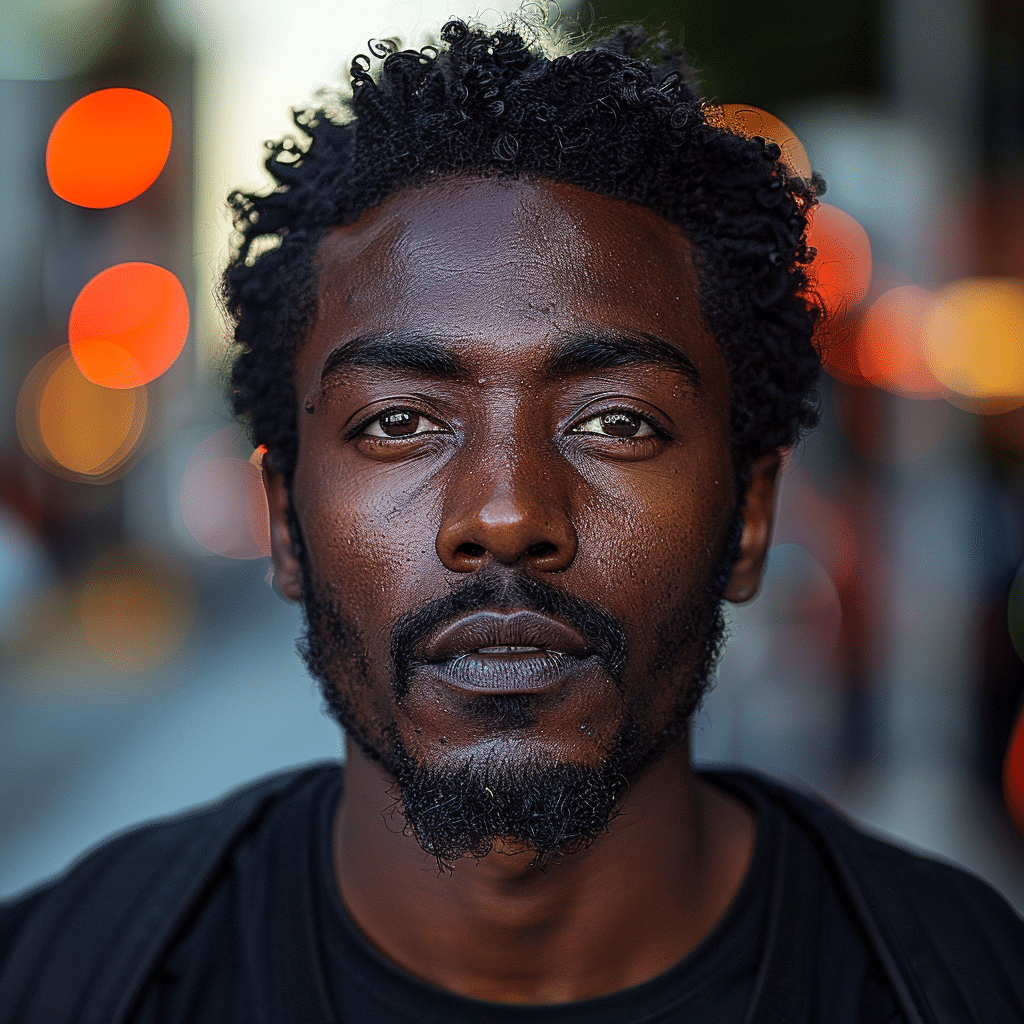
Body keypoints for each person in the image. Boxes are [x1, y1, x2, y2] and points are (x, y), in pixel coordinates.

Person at [1, 17, 1022, 1024]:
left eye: (616, 422)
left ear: (749, 515)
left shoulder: (967, 985)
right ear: (283, 523)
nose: (503, 513)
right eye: (399, 422)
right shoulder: (60, 979)